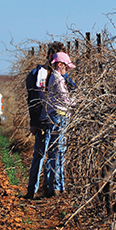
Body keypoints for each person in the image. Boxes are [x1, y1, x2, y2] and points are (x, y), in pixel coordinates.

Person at [23, 42, 65, 200]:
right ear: (51, 57)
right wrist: (33, 122)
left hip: (57, 120)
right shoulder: (37, 75)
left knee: (56, 154)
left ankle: (52, 189)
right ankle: (31, 191)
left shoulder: (60, 75)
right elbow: (33, 100)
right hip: (42, 121)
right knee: (40, 155)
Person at [44, 51, 76, 197]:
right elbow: (65, 100)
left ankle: (52, 186)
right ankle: (58, 187)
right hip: (60, 116)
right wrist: (79, 101)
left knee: (54, 151)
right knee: (59, 152)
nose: (67, 70)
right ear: (60, 65)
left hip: (55, 116)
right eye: (66, 67)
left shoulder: (52, 78)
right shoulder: (58, 79)